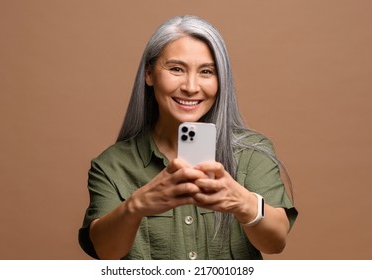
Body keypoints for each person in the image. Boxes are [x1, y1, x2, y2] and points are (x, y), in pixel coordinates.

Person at [78, 15, 298, 260]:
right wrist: (136, 205)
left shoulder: (252, 152)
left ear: (221, 80)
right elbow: (105, 252)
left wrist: (241, 201)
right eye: (176, 69)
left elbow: (276, 241)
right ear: (149, 74)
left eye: (207, 71)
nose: (191, 87)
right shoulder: (111, 166)